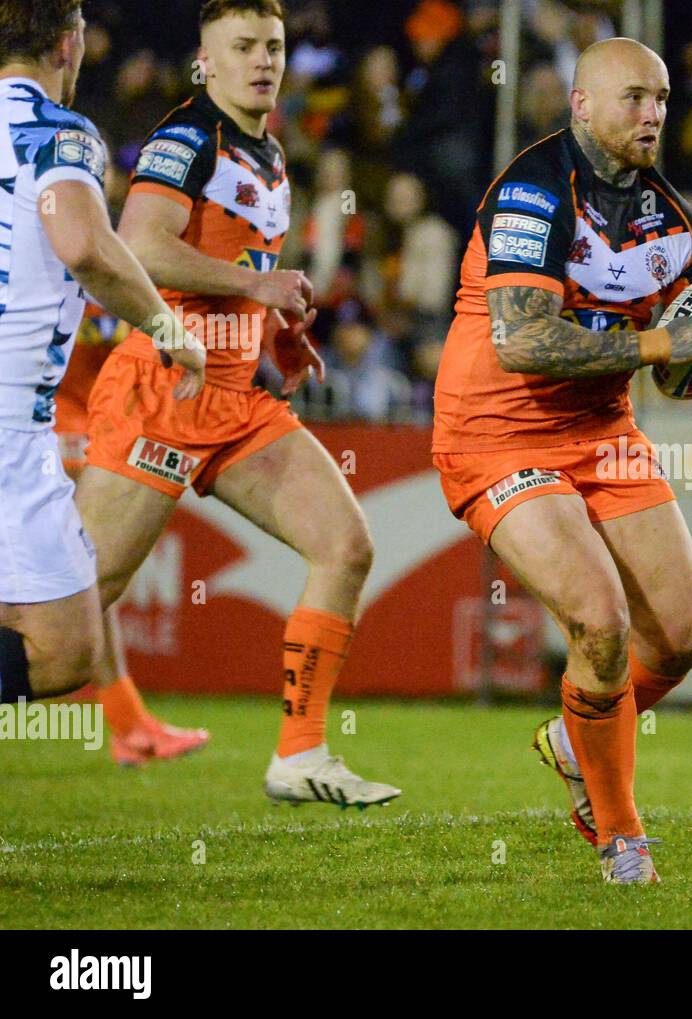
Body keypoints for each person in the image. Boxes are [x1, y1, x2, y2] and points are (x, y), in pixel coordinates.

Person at [432, 37, 692, 883]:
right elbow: (522, 340)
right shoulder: (532, 190)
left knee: (685, 631)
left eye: (661, 97)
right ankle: (621, 832)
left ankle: (571, 738)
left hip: (603, 430)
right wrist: (666, 340)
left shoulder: (675, 218)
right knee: (598, 617)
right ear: (581, 104)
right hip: (495, 427)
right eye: (633, 96)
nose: (653, 112)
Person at [72, 0, 398, 808]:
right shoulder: (189, 137)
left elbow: (228, 273)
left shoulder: (270, 154)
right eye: (243, 46)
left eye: (275, 46)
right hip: (161, 386)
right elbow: (138, 243)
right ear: (205, 62)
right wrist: (258, 284)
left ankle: (300, 753)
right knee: (66, 624)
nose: (263, 60)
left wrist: (272, 335)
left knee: (345, 545)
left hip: (234, 397)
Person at [0, 0, 205, 705]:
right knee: (64, 649)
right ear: (68, 43)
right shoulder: (58, 134)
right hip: (10, 430)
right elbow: (85, 244)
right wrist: (167, 327)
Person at [58, 303, 210, 764]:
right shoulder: (84, 265)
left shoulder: (117, 273)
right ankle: (129, 725)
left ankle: (129, 726)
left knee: (85, 573)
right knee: (77, 575)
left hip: (97, 420)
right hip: (55, 423)